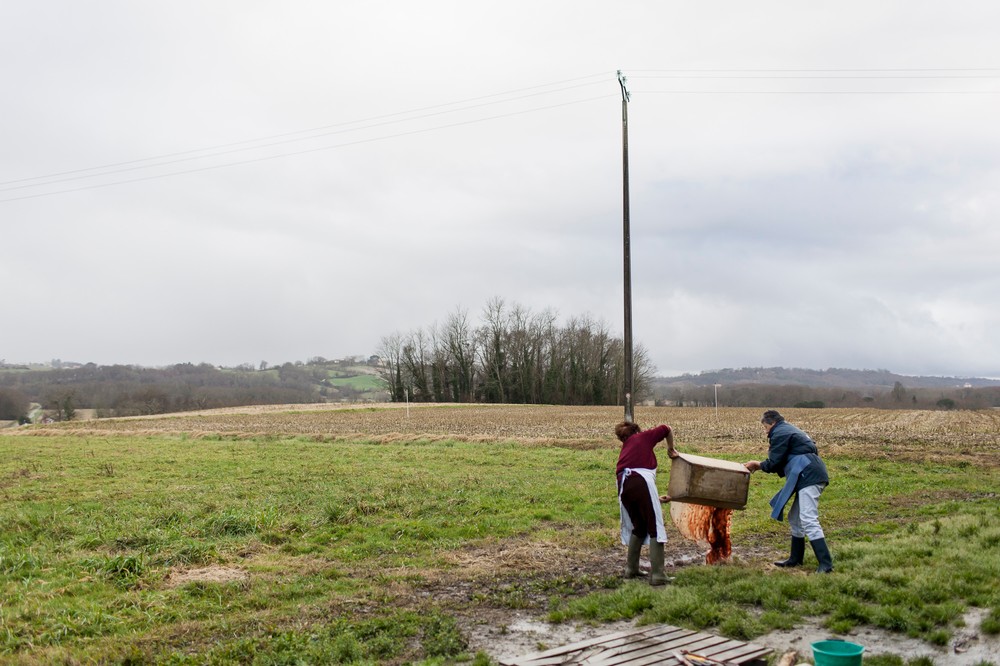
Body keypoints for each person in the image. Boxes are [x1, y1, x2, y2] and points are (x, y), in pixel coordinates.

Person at [744, 410, 833, 573]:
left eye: (764, 427)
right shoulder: (789, 429)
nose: (765, 430)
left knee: (808, 518)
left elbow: (774, 462)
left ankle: (826, 564)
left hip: (808, 475)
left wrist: (758, 464)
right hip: (809, 472)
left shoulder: (779, 432)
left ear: (771, 423)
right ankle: (796, 558)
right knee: (795, 517)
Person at [615, 420, 678, 586]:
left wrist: (655, 499)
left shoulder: (626, 448)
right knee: (655, 526)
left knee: (639, 526)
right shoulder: (642, 437)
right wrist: (670, 449)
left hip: (623, 483)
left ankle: (631, 568)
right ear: (637, 430)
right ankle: (658, 574)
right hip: (640, 481)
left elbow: (632, 484)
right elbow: (667, 428)